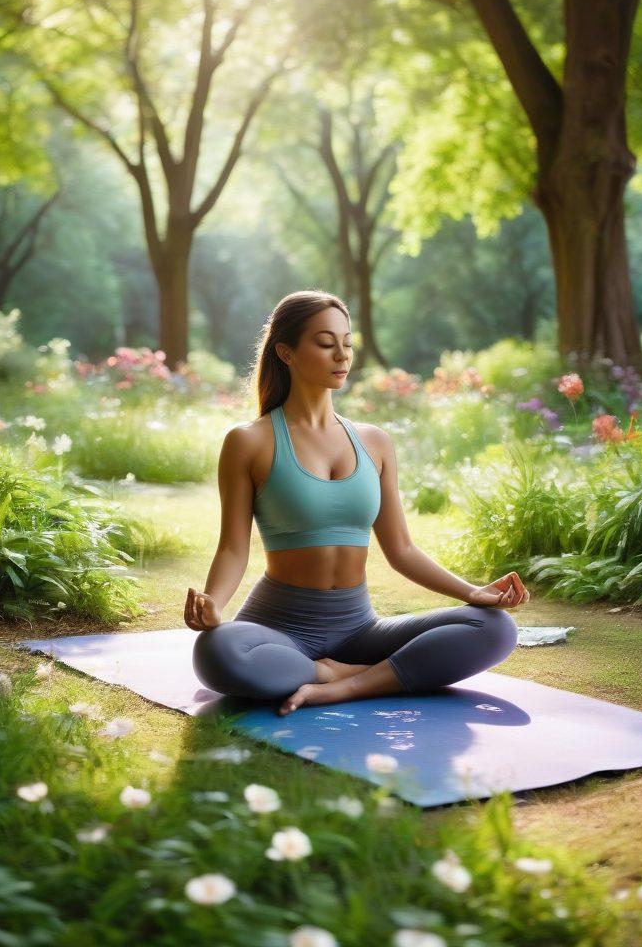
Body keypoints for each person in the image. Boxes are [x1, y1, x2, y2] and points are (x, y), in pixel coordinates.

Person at [186, 289, 529, 717]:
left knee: (494, 629)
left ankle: (343, 683)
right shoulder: (249, 441)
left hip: (359, 628)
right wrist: (214, 603)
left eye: (346, 344)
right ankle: (344, 674)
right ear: (286, 353)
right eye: (326, 343)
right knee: (218, 651)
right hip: (280, 629)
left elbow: (401, 550)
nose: (341, 356)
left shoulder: (375, 442)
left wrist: (472, 591)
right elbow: (233, 548)